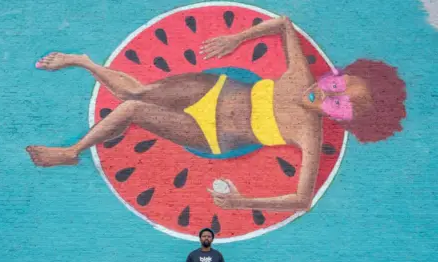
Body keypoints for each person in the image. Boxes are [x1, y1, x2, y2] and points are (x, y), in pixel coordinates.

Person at [26, 16, 406, 212]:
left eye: (337, 103)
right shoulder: (299, 76)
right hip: (214, 89)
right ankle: (83, 61)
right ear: (336, 75)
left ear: (341, 119)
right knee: (136, 91)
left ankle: (71, 152)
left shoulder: (308, 133)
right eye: (337, 84)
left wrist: (242, 202)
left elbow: (302, 199)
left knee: (132, 108)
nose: (324, 91)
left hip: (210, 133)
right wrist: (238, 38)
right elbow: (284, 24)